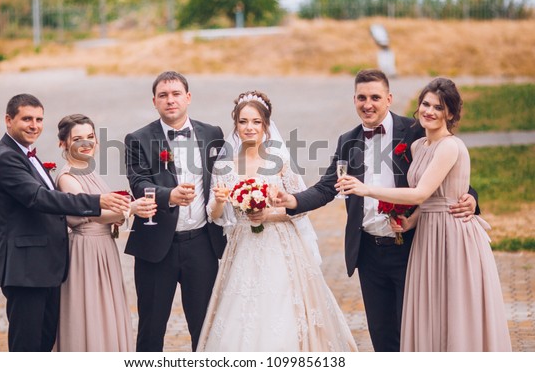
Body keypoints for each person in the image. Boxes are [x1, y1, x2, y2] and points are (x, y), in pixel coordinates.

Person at [274, 69, 478, 352]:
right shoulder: (348, 140)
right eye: (361, 98)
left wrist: (471, 197)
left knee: (416, 332)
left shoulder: (417, 130)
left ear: (389, 98)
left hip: (412, 247)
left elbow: (450, 173)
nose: (367, 104)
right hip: (368, 253)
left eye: (374, 97)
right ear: (354, 100)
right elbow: (325, 188)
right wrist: (291, 200)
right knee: (382, 337)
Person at [338, 77, 512, 351]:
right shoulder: (419, 145)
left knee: (453, 314)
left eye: (438, 107)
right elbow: (431, 196)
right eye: (425, 104)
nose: (429, 111)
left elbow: (422, 193)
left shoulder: (445, 143)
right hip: (421, 236)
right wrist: (410, 221)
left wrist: (366, 190)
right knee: (424, 321)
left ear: (451, 113)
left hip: (451, 236)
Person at [196, 91, 357, 352]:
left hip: (281, 245)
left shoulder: (278, 161)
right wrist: (219, 201)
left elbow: (300, 207)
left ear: (266, 126)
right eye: (243, 121)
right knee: (242, 311)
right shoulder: (224, 166)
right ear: (235, 125)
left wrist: (268, 214)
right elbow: (214, 215)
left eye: (256, 122)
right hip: (243, 245)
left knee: (282, 307)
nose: (250, 127)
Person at [0, 94, 130, 352]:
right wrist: (98, 202)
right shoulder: (6, 158)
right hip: (25, 270)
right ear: (9, 120)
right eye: (26, 119)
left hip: (45, 267)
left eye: (39, 119)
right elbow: (39, 197)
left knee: (44, 342)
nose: (34, 125)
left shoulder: (27, 155)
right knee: (27, 347)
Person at [124, 71, 227, 351]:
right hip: (156, 247)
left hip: (202, 245)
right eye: (163, 95)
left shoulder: (213, 134)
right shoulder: (137, 138)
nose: (171, 100)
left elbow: (223, 176)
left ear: (188, 97)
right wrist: (168, 195)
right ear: (154, 101)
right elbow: (138, 182)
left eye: (176, 94)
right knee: (151, 328)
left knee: (205, 328)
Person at [53, 114, 157, 351]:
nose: (86, 143)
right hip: (85, 252)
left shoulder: (89, 172)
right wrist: (130, 209)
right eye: (78, 138)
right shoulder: (68, 177)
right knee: (89, 310)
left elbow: (105, 212)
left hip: (103, 248)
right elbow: (91, 213)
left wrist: (118, 216)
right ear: (64, 144)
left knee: (106, 309)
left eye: (90, 137)